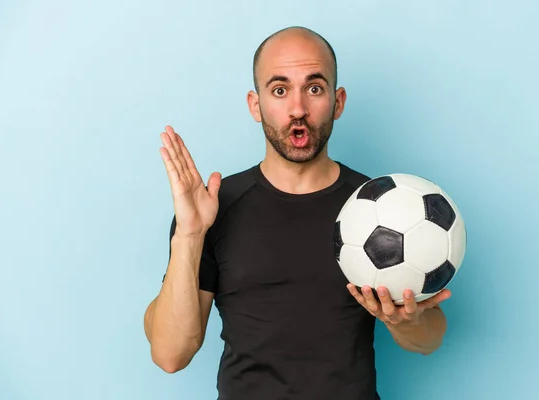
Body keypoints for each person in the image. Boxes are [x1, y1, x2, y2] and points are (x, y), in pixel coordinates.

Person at [143, 26, 451, 400]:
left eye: (314, 88)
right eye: (279, 89)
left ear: (338, 102)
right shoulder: (212, 208)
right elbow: (170, 355)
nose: (298, 109)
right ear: (256, 105)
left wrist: (407, 320)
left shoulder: (383, 207)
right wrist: (189, 235)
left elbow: (428, 341)